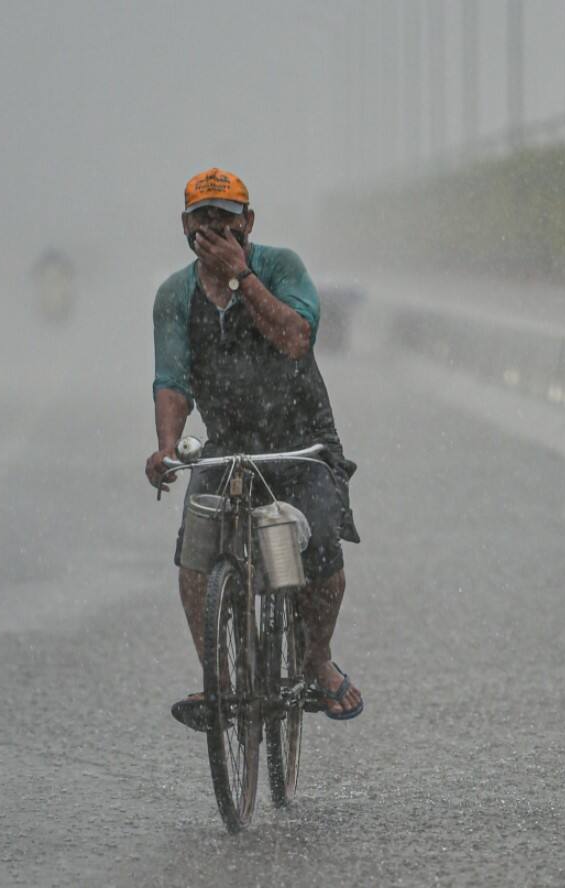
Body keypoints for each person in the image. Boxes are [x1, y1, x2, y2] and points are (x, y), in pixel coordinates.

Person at [145, 167, 363, 726]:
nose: (215, 226)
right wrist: (167, 445)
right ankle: (216, 683)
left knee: (321, 552)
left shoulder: (280, 267)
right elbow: (172, 380)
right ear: (185, 225)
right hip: (229, 443)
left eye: (226, 216)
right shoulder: (175, 295)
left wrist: (242, 279)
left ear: (249, 222)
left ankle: (316, 661)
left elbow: (295, 338)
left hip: (301, 440)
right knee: (196, 549)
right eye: (203, 217)